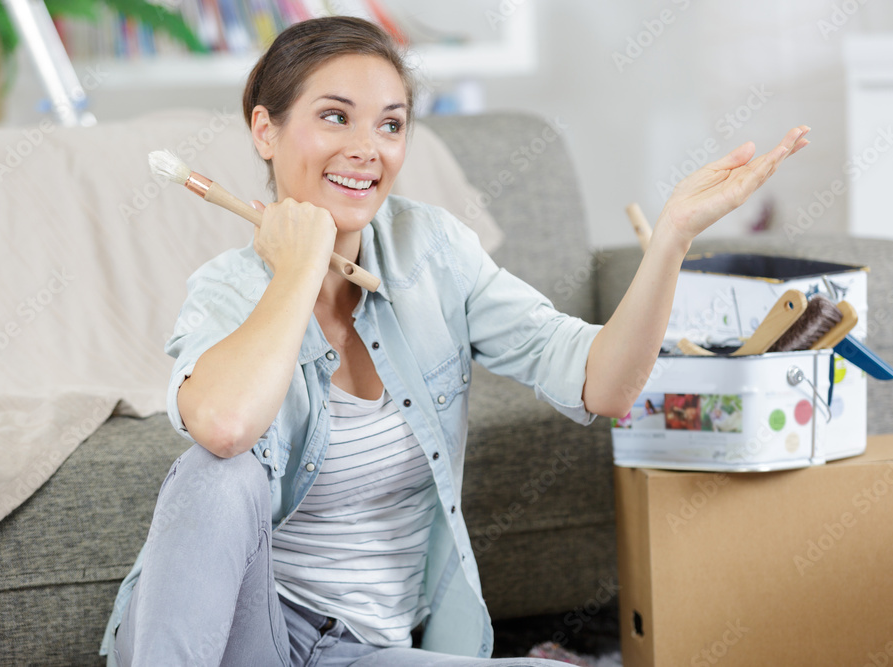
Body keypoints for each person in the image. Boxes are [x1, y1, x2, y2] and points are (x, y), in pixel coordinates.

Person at [100, 16, 809, 666]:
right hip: (234, 637)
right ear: (265, 130)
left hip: (360, 650)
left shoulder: (433, 251)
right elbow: (222, 428)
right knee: (216, 475)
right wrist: (296, 271)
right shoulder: (227, 288)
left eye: (390, 124)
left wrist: (673, 241)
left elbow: (605, 383)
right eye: (334, 117)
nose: (365, 149)